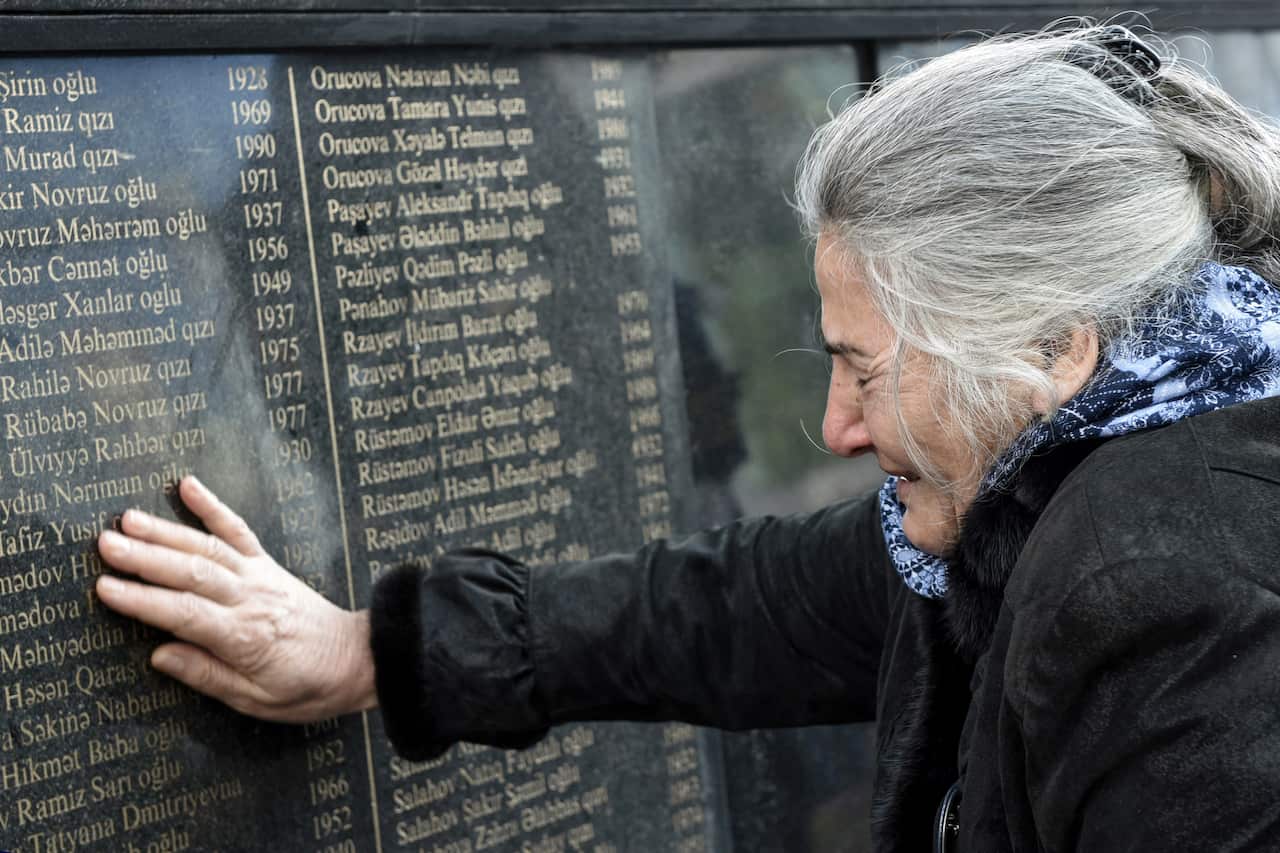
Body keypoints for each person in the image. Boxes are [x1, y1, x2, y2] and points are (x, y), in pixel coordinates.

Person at [94, 22, 1280, 852]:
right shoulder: (1053, 488)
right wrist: (373, 652)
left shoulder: (1163, 589)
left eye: (865, 367)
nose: (835, 423)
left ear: (1054, 353)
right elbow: (748, 606)